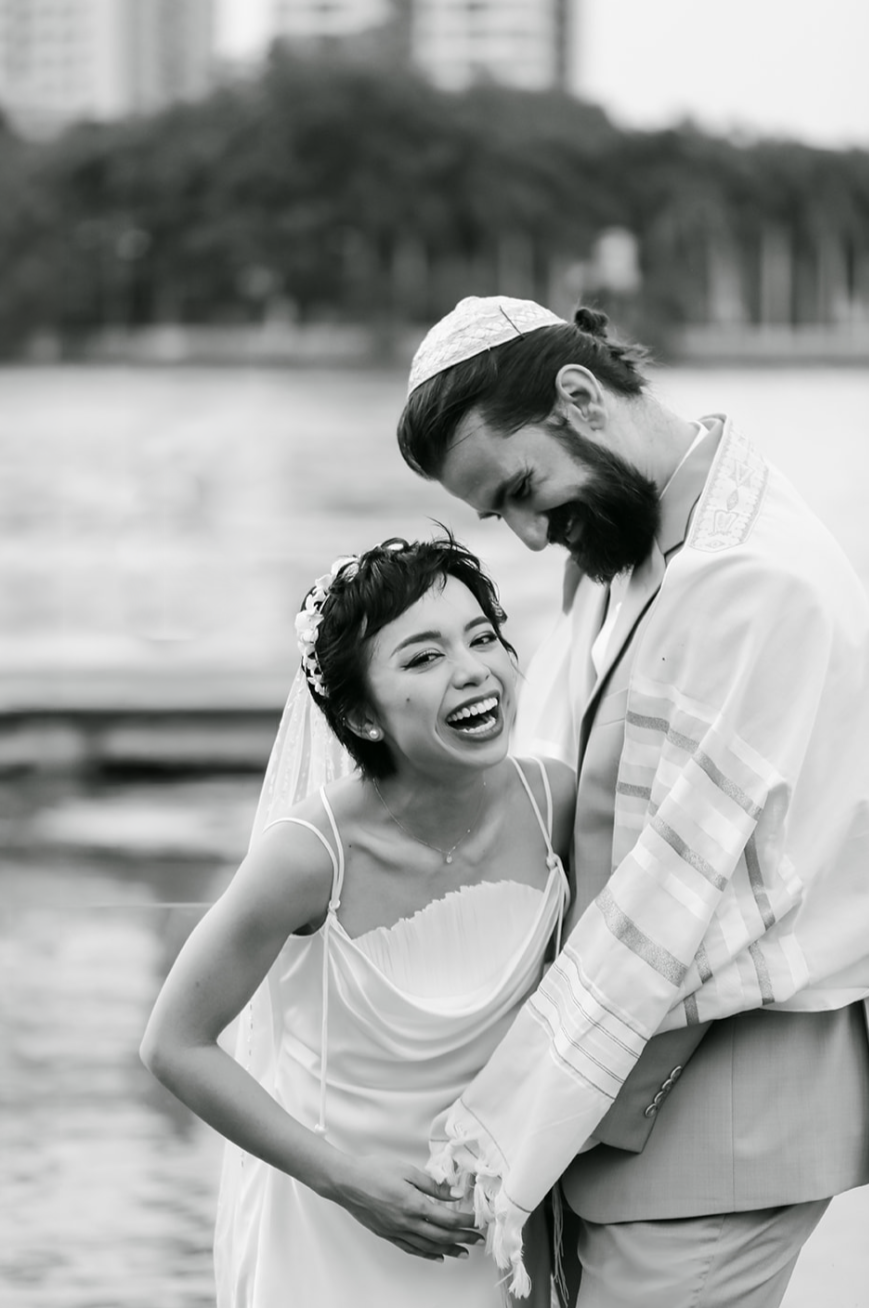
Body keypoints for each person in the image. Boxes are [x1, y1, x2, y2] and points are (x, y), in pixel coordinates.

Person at [397, 296, 869, 1307]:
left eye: (523, 491)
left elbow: (671, 899)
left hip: (719, 1117)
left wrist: (506, 1122)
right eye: (498, 515)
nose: (526, 537)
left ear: (579, 398)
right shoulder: (621, 545)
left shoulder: (748, 577)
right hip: (621, 1094)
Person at [140, 533, 576, 1308]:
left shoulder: (557, 805)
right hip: (331, 1232)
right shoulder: (308, 858)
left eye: (483, 638)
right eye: (422, 658)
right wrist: (350, 1185)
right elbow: (174, 1043)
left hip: (492, 1231)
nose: (474, 670)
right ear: (360, 716)